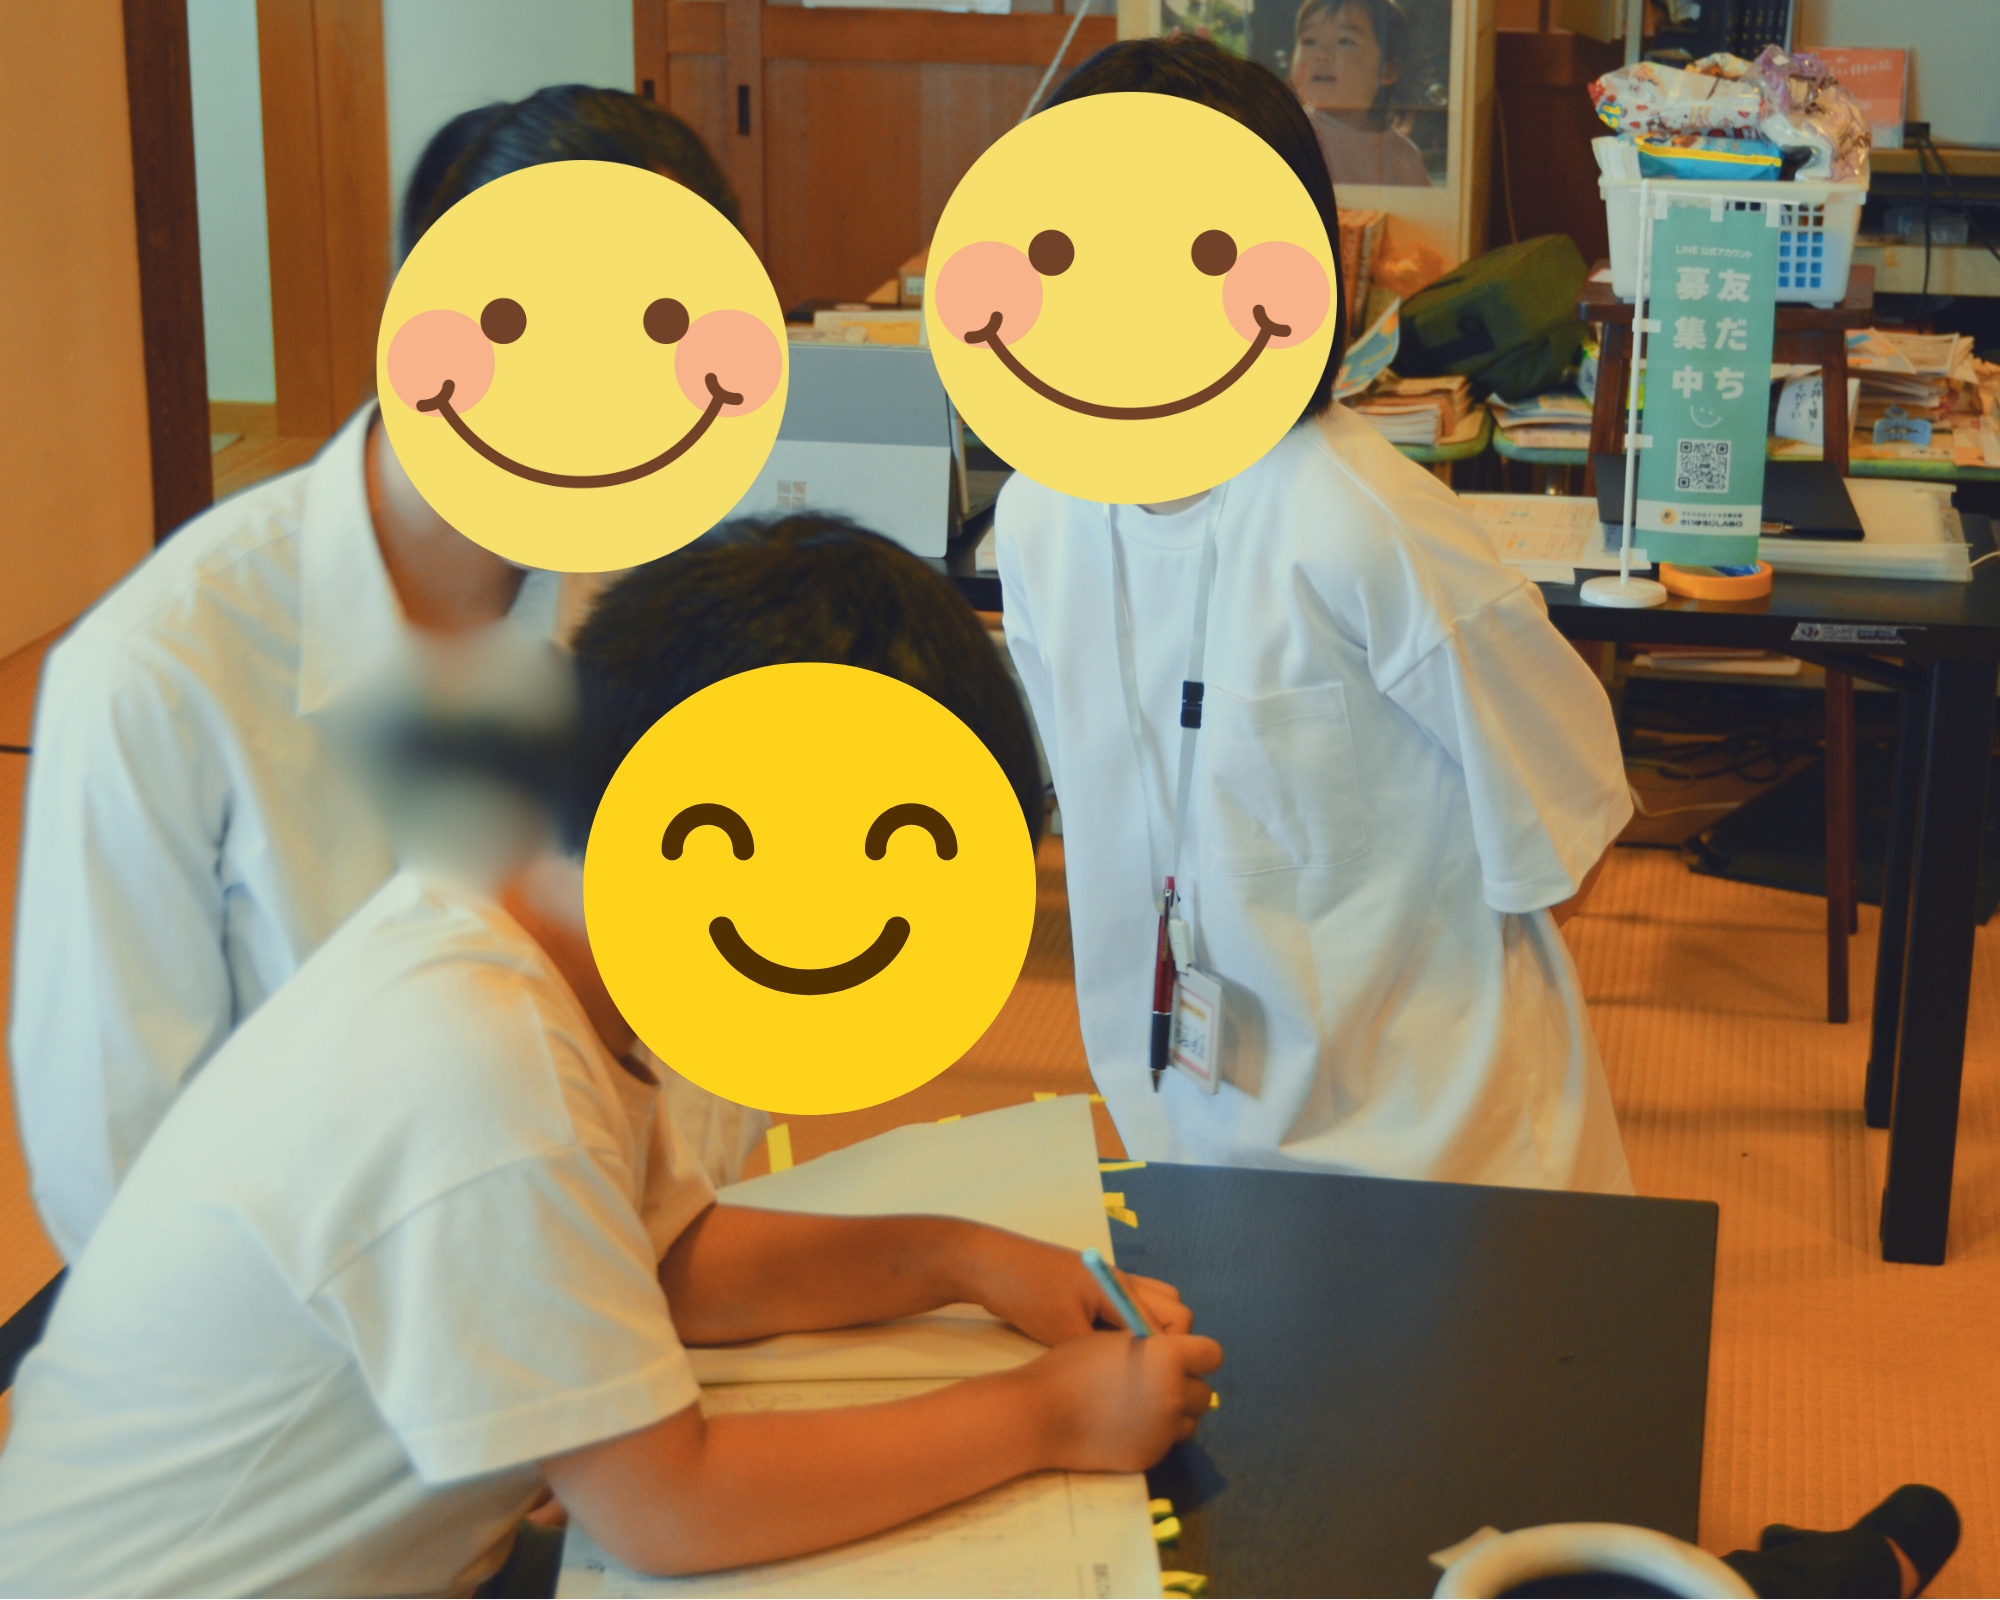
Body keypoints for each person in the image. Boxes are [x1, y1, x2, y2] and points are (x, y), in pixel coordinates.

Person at [0, 515, 1225, 1597]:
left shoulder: (513, 925)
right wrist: (1044, 1415)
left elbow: (663, 1261)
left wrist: (965, 1259)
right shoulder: (481, 1060)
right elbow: (666, 1509)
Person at [9, 85, 763, 1265]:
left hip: (623, 1287)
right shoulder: (162, 669)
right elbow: (111, 1160)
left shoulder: (662, 620)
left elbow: (712, 1036)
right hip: (305, 1337)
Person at [998, 37, 1634, 1192]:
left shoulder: (1357, 519)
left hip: (1435, 1144)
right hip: (1176, 1105)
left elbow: (1566, 806)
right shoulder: (1038, 516)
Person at [1289, 0, 1432, 188]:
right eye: (1309, 41)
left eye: (1344, 41)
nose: (1321, 54)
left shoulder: (1402, 155)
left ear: (1388, 70)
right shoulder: (1290, 135)